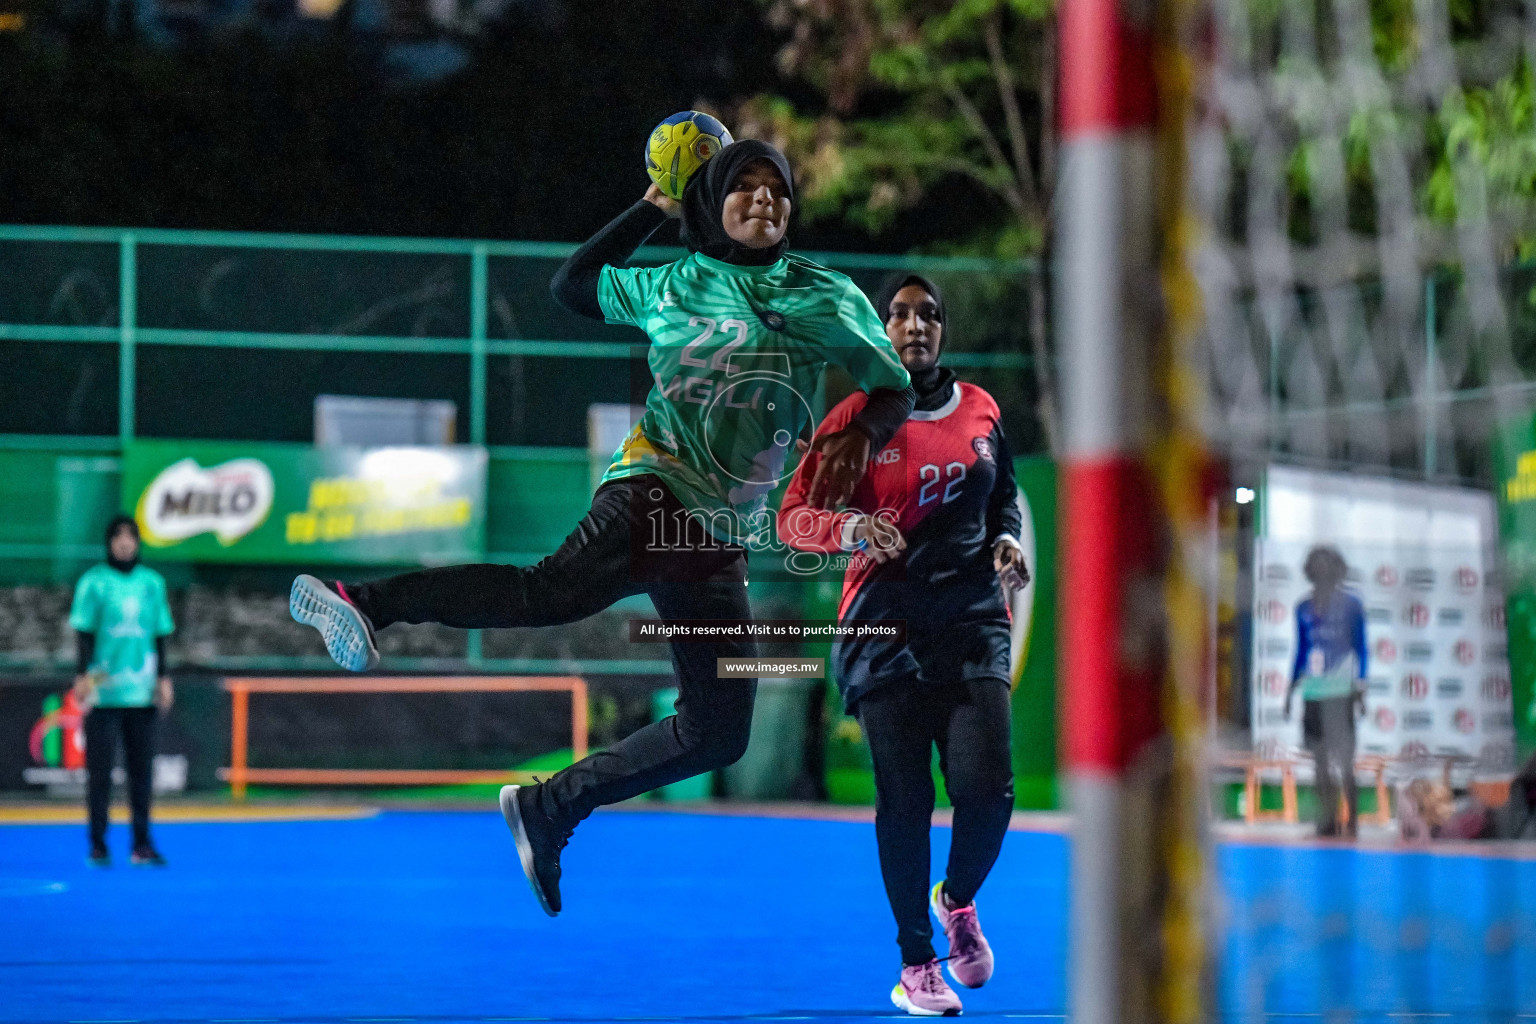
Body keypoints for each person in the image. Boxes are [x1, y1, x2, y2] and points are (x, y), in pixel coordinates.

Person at [288, 139, 915, 917]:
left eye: (777, 189)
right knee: (549, 592)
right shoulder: (674, 282)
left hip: (715, 532)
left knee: (717, 732)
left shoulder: (826, 295)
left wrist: (864, 435)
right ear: (712, 203)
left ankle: (551, 808)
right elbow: (572, 284)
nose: (764, 200)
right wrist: (652, 205)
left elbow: (895, 385)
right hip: (653, 485)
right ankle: (368, 601)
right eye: (743, 186)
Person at [778, 274, 1027, 1016]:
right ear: (877, 330)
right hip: (882, 630)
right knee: (906, 798)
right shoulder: (854, 421)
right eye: (898, 313)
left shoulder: (980, 408)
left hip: (974, 622)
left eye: (928, 314)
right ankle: (917, 963)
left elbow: (1004, 490)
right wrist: (851, 528)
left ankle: (956, 900)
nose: (914, 324)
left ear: (942, 330)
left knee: (990, 791)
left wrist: (1008, 536)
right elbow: (793, 517)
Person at [69, 515, 175, 868]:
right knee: (99, 774)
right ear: (109, 542)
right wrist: (82, 675)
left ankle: (141, 844)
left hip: (141, 692)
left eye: (131, 536)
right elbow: (83, 633)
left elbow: (161, 634)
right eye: (119, 536)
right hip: (103, 693)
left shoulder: (152, 584)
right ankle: (98, 844)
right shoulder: (94, 583)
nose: (125, 542)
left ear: (138, 542)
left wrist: (163, 678)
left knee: (141, 774)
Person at [1283, 545, 1367, 838]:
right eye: (1315, 570)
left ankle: (1353, 820)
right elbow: (1301, 650)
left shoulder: (1352, 605)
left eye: (1326, 569)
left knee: (1344, 762)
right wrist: (1290, 690)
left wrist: (1361, 685)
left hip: (1342, 692)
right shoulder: (1302, 608)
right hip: (1313, 694)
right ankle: (1327, 821)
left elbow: (1362, 648)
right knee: (1319, 764)